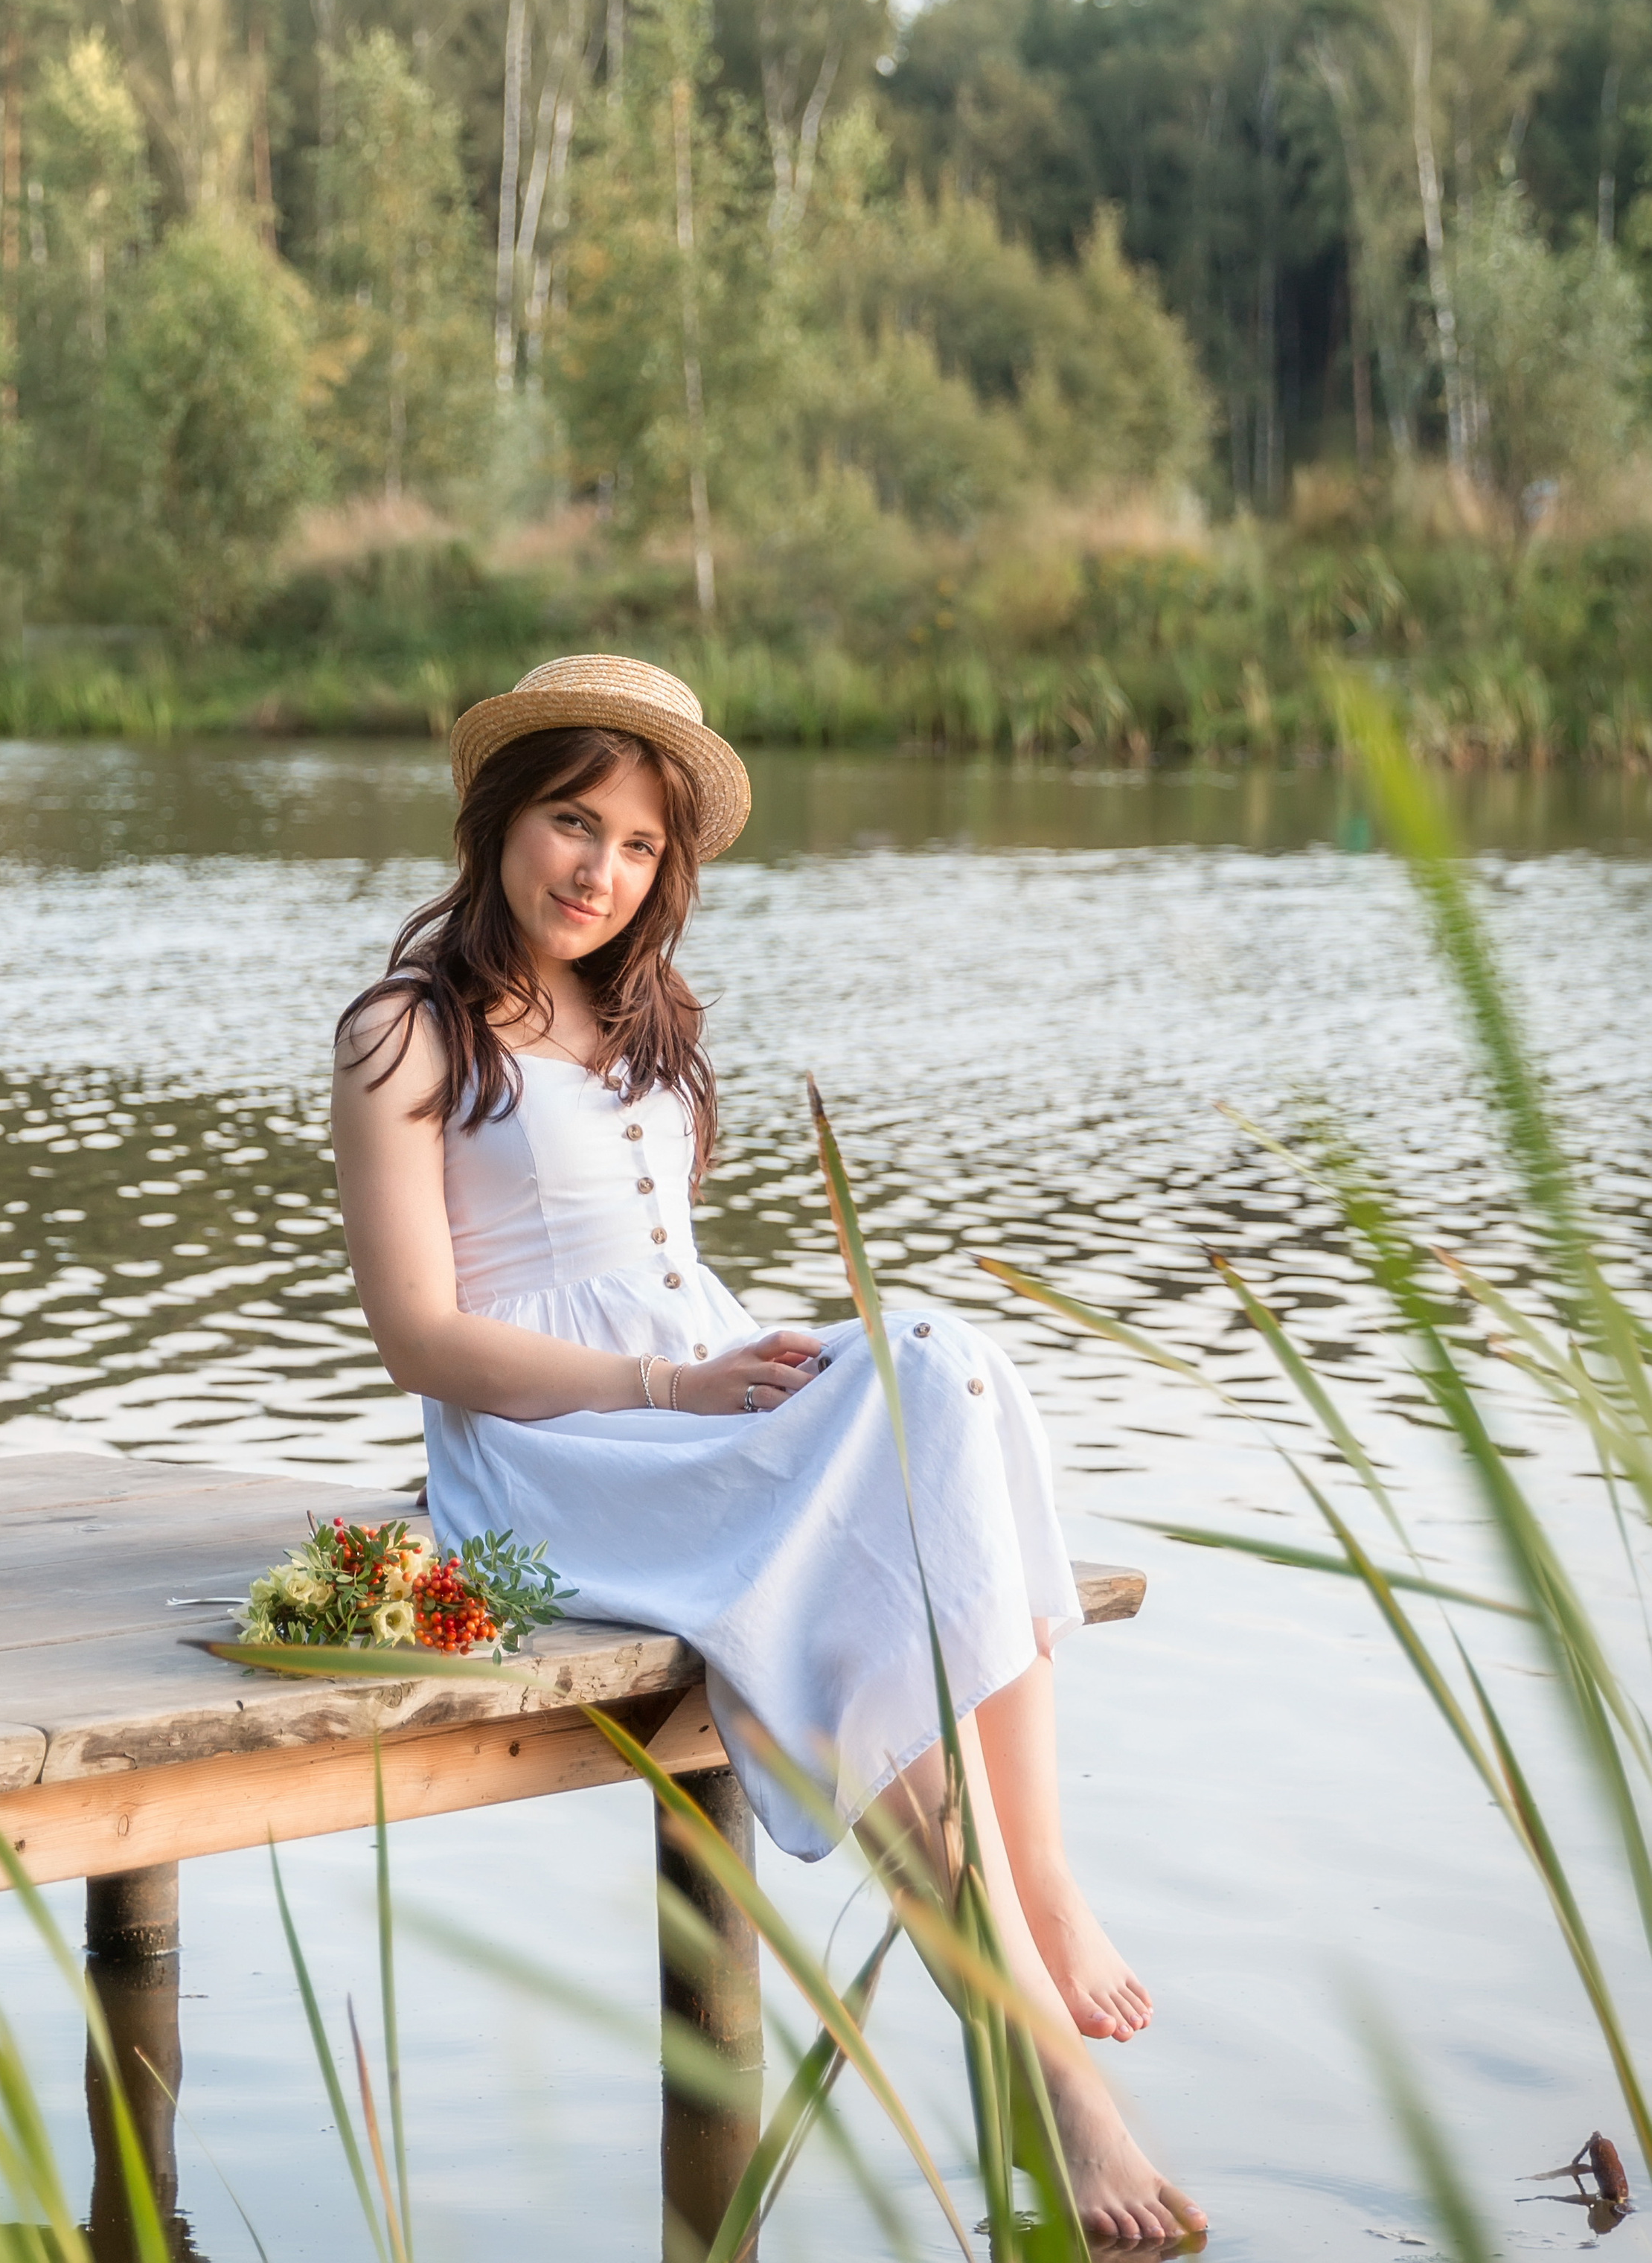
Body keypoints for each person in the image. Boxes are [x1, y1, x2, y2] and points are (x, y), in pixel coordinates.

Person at [333, 654, 1204, 2247]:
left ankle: (1044, 1882)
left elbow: (670, 1263)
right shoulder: (408, 1030)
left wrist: (746, 1381)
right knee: (860, 1579)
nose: (598, 871)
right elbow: (417, 1338)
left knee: (948, 1362)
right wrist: (672, 1394)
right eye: (570, 823)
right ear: (496, 818)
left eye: (640, 847)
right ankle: (1055, 2078)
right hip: (563, 1448)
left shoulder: (643, 1016)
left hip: (705, 1392)